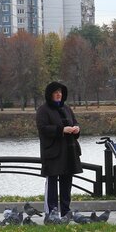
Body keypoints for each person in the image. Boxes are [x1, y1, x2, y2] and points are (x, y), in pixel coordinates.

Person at [36, 81, 82, 217]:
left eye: (60, 92)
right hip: (53, 153)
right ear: (50, 95)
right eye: (56, 92)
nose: (59, 94)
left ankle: (66, 211)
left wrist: (76, 129)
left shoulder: (66, 108)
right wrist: (61, 130)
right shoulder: (43, 110)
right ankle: (52, 212)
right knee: (52, 183)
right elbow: (43, 128)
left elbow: (74, 122)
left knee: (67, 182)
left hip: (69, 152)